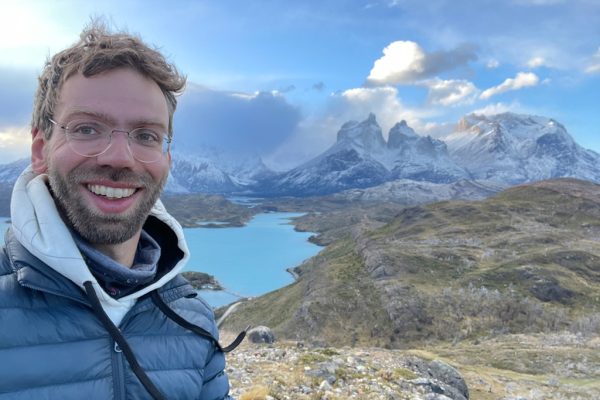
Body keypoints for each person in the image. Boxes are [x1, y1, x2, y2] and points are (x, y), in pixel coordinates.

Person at [0, 21, 243, 400]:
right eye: (86, 128)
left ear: (167, 158)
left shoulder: (191, 319)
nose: (119, 157)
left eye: (146, 135)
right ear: (40, 149)